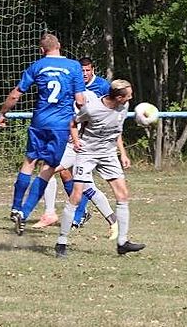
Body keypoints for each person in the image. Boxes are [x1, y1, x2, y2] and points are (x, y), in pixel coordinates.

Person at [0, 33, 86, 235]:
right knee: (48, 169)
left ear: (42, 50)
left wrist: (3, 113)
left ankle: (16, 206)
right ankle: (24, 213)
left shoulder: (37, 66)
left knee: (29, 161)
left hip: (39, 122)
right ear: (59, 46)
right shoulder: (74, 66)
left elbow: (16, 94)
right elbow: (80, 101)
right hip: (60, 126)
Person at [55, 79, 144, 257]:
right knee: (76, 196)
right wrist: (76, 141)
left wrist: (123, 153)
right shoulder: (92, 109)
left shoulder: (123, 107)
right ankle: (61, 242)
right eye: (128, 95)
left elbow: (117, 131)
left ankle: (122, 243)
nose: (131, 98)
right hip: (87, 153)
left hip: (108, 154)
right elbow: (73, 123)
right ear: (118, 97)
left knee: (123, 194)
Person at [33, 56, 112, 230]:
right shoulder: (72, 85)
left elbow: (106, 112)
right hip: (71, 139)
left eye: (87, 70)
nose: (84, 73)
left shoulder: (101, 87)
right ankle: (96, 217)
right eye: (81, 70)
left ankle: (73, 214)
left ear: (93, 70)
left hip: (86, 142)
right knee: (66, 175)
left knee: (73, 178)